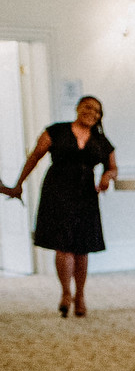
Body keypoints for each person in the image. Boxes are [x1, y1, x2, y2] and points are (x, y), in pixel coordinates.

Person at [1, 96, 116, 318]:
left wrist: (107, 177)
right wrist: (18, 184)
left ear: (100, 116)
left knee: (82, 246)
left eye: (96, 110)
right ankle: (65, 293)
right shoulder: (56, 131)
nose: (91, 112)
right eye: (87, 107)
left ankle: (80, 296)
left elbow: (112, 167)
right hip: (58, 190)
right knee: (63, 244)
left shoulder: (102, 140)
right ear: (77, 108)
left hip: (85, 194)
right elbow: (34, 156)